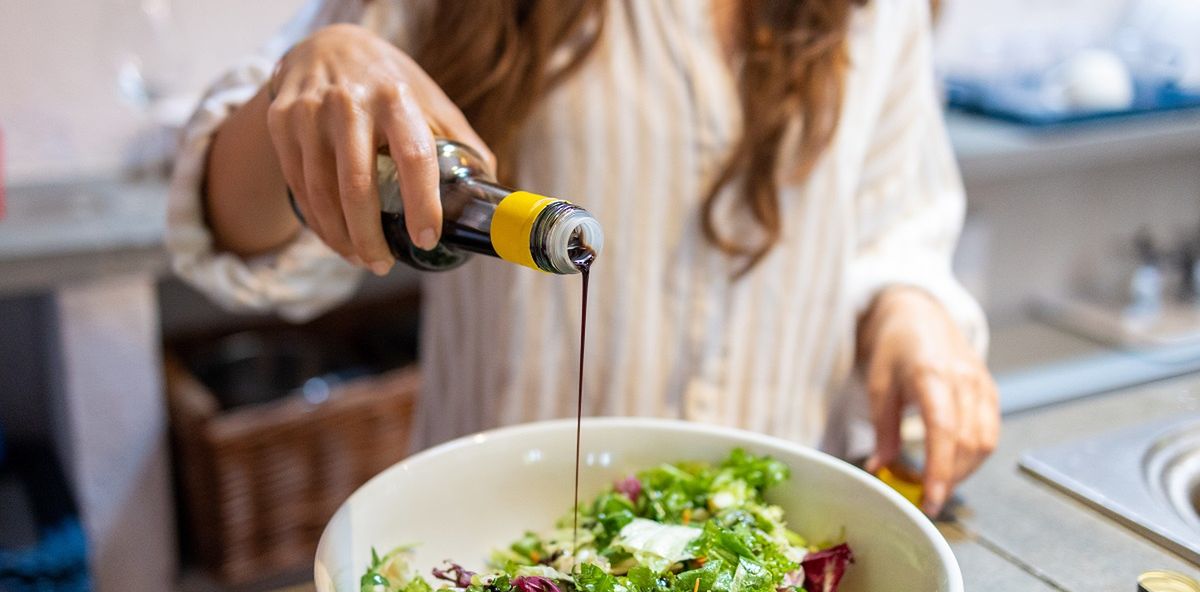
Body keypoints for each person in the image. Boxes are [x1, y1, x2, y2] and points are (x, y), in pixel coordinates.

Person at [168, 0, 998, 516]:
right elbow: (249, 242)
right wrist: (307, 79)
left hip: (773, 550)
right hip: (500, 553)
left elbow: (895, 224)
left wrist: (912, 312)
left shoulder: (876, 11)